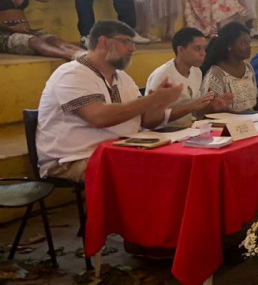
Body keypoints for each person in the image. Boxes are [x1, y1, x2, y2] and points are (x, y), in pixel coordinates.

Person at [35, 20, 185, 181]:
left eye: (133, 43)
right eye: (126, 42)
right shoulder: (72, 73)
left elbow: (147, 121)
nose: (132, 48)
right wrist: (151, 100)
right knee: (148, 174)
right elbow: (98, 117)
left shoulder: (122, 77)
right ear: (103, 42)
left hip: (119, 151)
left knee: (175, 163)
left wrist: (159, 103)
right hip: (73, 159)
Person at [145, 27, 233, 127]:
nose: (203, 53)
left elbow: (195, 112)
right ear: (181, 50)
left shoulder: (196, 71)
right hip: (163, 132)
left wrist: (213, 107)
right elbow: (150, 120)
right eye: (197, 48)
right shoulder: (163, 76)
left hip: (188, 129)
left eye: (204, 49)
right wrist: (190, 107)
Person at [200, 21, 258, 112]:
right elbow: (210, 110)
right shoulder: (217, 73)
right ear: (229, 46)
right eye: (243, 43)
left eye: (249, 42)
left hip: (252, 120)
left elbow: (255, 101)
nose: (249, 47)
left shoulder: (248, 68)